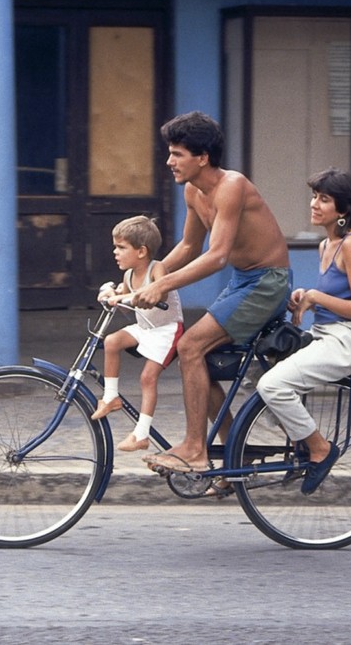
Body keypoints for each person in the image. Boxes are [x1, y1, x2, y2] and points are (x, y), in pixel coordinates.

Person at [132, 111, 290, 473]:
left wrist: (161, 285)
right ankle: (233, 448)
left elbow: (217, 256)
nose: (169, 161)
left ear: (202, 157)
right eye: (169, 153)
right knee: (197, 355)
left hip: (267, 282)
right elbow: (189, 246)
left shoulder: (231, 186)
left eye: (177, 154)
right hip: (244, 281)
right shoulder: (193, 190)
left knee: (189, 346)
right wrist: (141, 279)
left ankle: (194, 449)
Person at [257, 167, 351, 495]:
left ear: (343, 210)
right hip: (328, 333)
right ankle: (301, 444)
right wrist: (305, 298)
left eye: (324, 199)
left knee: (273, 385)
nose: (314, 204)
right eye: (314, 196)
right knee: (262, 362)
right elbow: (333, 296)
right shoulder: (327, 245)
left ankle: (319, 449)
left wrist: (316, 296)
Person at [92, 215, 184, 453]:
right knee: (111, 341)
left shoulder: (157, 269)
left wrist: (120, 297)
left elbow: (159, 294)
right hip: (145, 328)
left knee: (147, 378)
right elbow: (126, 302)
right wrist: (110, 296)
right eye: (116, 247)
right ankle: (111, 397)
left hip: (166, 330)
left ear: (141, 251)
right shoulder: (128, 275)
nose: (115, 252)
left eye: (121, 247)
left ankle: (141, 434)